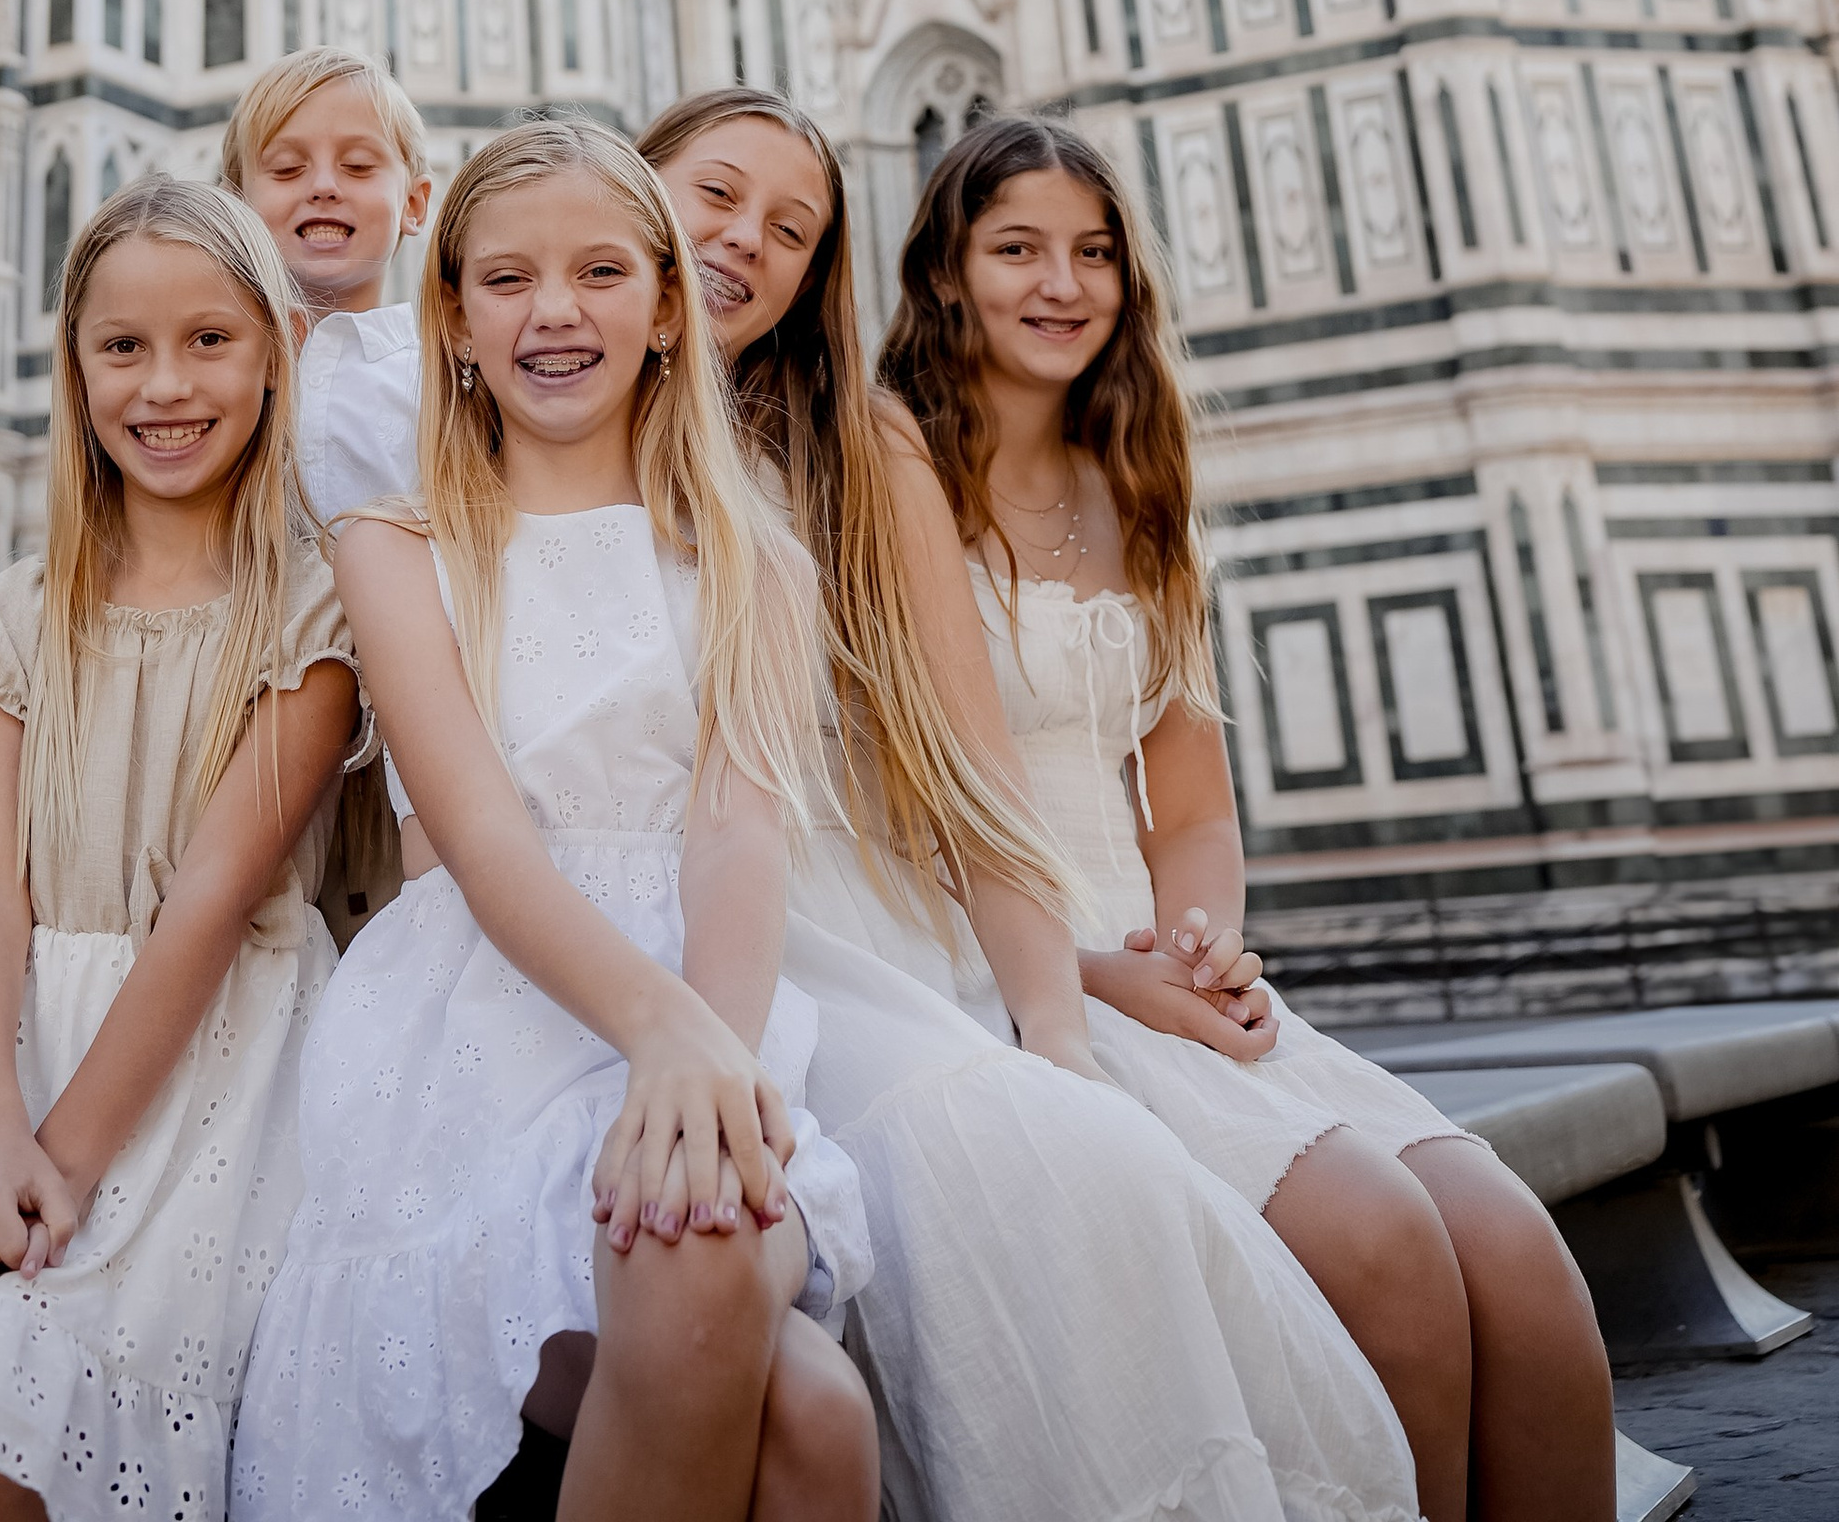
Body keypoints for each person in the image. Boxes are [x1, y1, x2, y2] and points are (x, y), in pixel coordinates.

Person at [642, 86, 1421, 1522]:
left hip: (938, 938)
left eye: (792, 227)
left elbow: (991, 778)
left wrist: (1105, 996)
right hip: (782, 946)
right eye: (716, 197)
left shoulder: (855, 447)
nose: (745, 240)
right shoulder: (530, 430)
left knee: (1466, 1260)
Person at [882, 110, 1616, 1522]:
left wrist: (1201, 946)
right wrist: (1107, 984)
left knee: (1523, 1268)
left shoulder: (1138, 482)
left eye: (1094, 252)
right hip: (988, 967)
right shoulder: (891, 459)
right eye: (1017, 249)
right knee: (1388, 1247)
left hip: (1156, 968)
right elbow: (929, 803)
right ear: (947, 272)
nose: (1061, 284)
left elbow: (1192, 807)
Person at [231, 118, 880, 1522]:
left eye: (599, 272)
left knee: (785, 1364)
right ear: (455, 322)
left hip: (713, 1009)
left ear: (666, 308)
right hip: (481, 1032)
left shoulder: (756, 563)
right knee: (812, 1421)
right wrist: (657, 1033)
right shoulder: (397, 549)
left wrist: (706, 1057)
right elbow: (482, 843)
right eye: (508, 279)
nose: (555, 311)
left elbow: (739, 835)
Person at [0, 180, 362, 1522]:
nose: (164, 385)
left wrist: (57, 1168)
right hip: (24, 1062)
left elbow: (211, 904)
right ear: (74, 367)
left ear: (277, 353)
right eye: (123, 346)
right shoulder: (15, 616)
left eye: (209, 340)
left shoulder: (315, 615)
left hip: (222, 1074)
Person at [223, 43, 432, 940]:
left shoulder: (439, 377)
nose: (322, 187)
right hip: (236, 736)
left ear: (415, 202)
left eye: (357, 166)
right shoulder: (213, 377)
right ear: (233, 204)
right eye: (286, 169)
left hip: (398, 756)